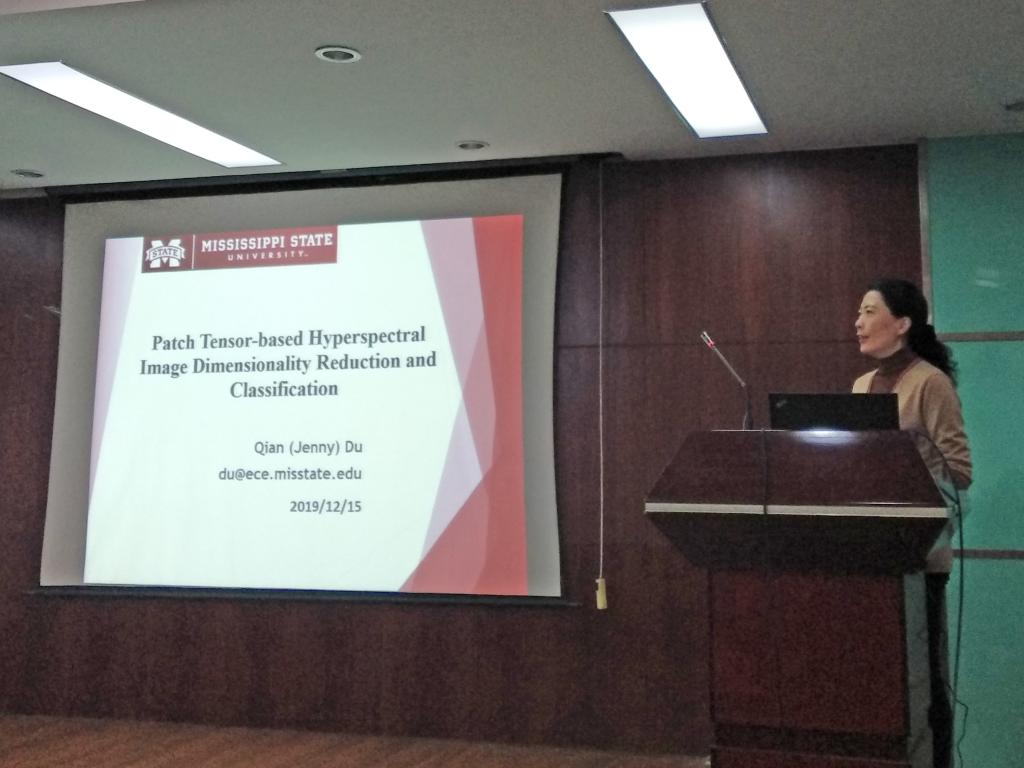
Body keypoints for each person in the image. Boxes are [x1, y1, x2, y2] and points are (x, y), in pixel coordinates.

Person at [853, 278, 971, 768]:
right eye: (859, 312)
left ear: (901, 324)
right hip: (870, 558)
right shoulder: (861, 386)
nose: (858, 322)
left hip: (919, 557)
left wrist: (901, 469)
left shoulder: (930, 382)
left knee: (924, 685)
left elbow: (959, 471)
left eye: (869, 311)